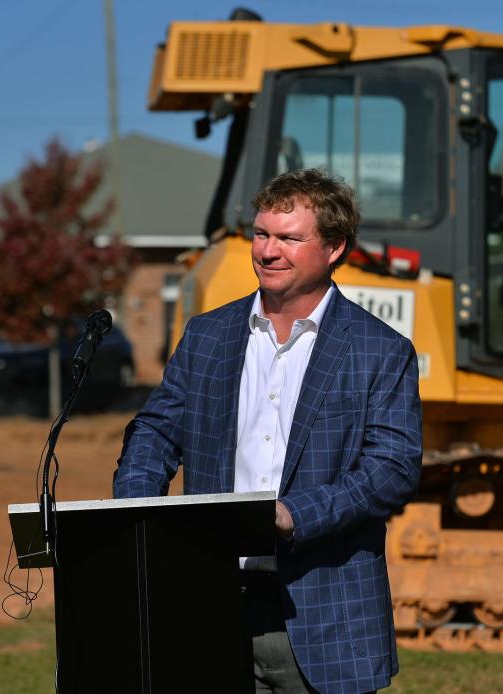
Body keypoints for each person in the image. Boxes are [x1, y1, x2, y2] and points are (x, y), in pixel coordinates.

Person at [113, 169, 423, 693]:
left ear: (333, 248)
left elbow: (391, 469)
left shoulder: (381, 350)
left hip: (324, 615)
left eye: (289, 238)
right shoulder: (207, 334)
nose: (268, 251)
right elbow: (156, 432)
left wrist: (291, 514)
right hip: (210, 607)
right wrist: (138, 514)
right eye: (261, 234)